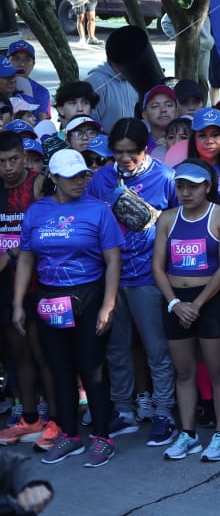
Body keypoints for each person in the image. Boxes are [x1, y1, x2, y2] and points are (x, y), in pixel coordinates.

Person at [14, 149, 122, 466]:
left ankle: (102, 437)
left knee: (92, 370)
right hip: (50, 298)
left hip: (89, 295)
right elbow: (26, 259)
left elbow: (113, 260)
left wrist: (108, 304)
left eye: (83, 175)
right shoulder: (36, 212)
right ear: (55, 179)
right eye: (72, 177)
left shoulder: (99, 210)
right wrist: (19, 303)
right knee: (61, 370)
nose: (80, 182)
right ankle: (70, 435)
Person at [86, 118, 180, 448]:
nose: (125, 159)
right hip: (112, 276)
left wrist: (151, 216)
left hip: (148, 277)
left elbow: (179, 223)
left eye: (132, 153)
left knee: (156, 349)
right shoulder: (101, 178)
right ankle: (123, 411)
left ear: (146, 149)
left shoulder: (165, 178)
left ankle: (164, 412)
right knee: (116, 349)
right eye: (118, 153)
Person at [151, 159, 220, 462]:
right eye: (180, 186)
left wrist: (197, 305)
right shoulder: (167, 218)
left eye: (193, 186)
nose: (186, 192)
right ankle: (187, 434)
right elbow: (158, 268)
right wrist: (176, 304)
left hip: (211, 300)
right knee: (184, 371)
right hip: (177, 301)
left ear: (208, 186)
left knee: (217, 371)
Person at [0, 132, 54, 449]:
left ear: (24, 157)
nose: (7, 168)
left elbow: (49, 232)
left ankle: (58, 421)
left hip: (40, 283)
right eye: (2, 162)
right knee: (18, 355)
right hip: (6, 288)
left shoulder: (38, 185)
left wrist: (12, 253)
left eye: (13, 160)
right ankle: (30, 417)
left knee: (44, 354)